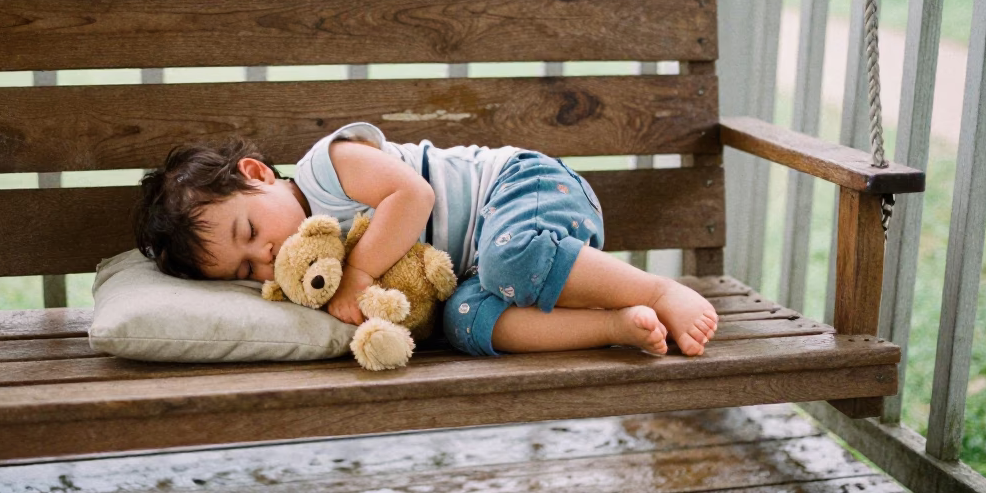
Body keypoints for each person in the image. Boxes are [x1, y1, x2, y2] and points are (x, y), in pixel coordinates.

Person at [134, 123, 718, 358]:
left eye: (250, 233)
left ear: (258, 175)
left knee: (505, 256)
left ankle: (659, 290)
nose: (264, 259)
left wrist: (360, 274)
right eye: (244, 272)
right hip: (485, 271)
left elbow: (414, 197)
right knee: (466, 323)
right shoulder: (309, 272)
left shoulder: (328, 168)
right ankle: (614, 323)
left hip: (524, 189)